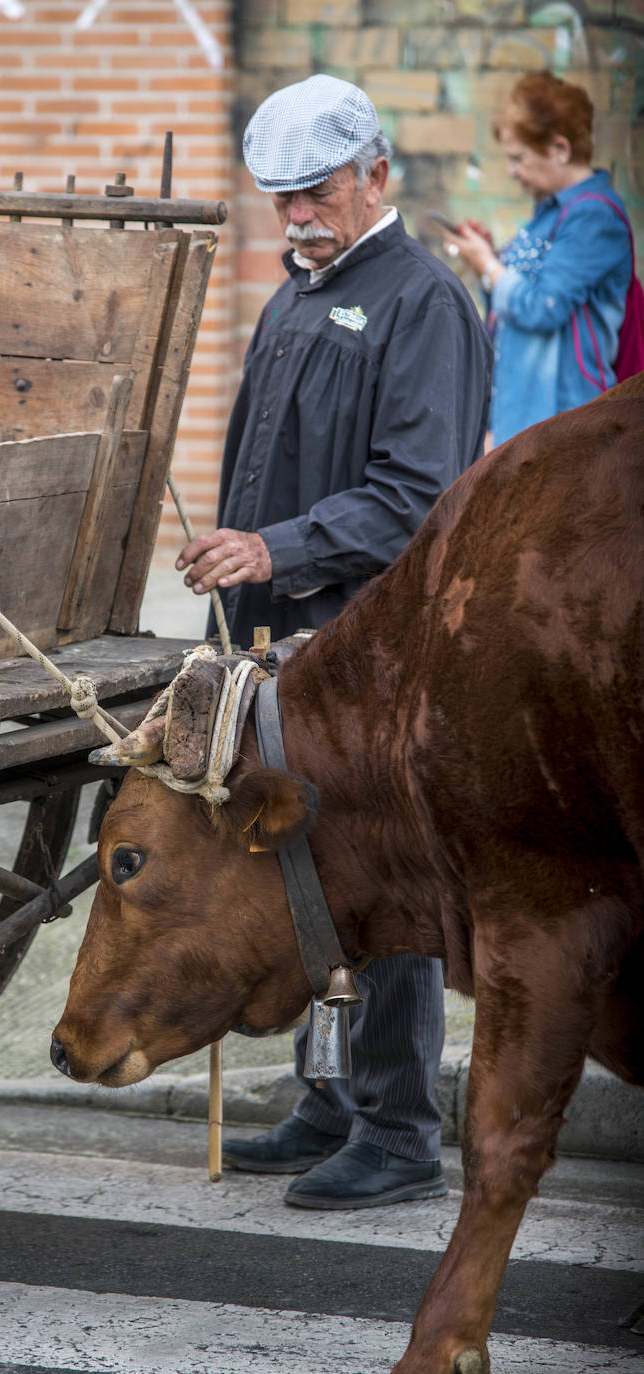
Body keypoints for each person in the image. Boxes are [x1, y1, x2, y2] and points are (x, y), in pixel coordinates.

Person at [175, 74, 493, 1210]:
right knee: (297, 877)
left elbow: (417, 497)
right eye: (280, 198)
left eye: (315, 193)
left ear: (375, 175)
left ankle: (397, 1131)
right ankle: (327, 1103)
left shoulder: (425, 301)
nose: (297, 216)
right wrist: (235, 563)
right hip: (278, 646)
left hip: (374, 655)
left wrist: (272, 548)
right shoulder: (294, 297)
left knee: (376, 881)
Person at [443, 71, 633, 446]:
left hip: (566, 423)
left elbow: (542, 307)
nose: (512, 171)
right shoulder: (549, 213)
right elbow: (510, 308)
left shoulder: (594, 216)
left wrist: (489, 266)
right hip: (526, 417)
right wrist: (491, 262)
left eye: (518, 158)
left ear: (560, 149)